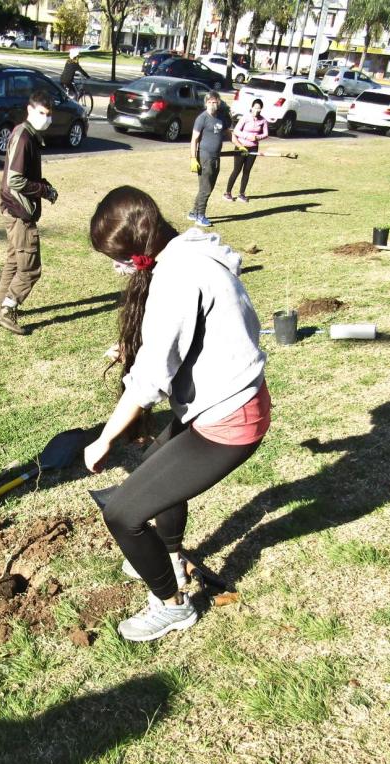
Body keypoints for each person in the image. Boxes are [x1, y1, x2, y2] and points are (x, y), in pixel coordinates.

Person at [84, 186, 271, 642]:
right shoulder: (190, 250)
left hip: (229, 419)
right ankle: (168, 559)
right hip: (227, 399)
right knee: (155, 471)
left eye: (119, 259)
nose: (119, 269)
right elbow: (196, 331)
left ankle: (171, 605)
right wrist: (134, 345)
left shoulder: (177, 276)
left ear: (137, 252)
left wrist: (105, 438)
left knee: (123, 514)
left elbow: (150, 379)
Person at [0, 91, 59, 335]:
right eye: (42, 113)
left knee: (14, 261)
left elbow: (25, 176)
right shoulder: (24, 137)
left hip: (14, 209)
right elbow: (16, 180)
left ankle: (1, 306)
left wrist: (45, 186)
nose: (46, 119)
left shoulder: (28, 134)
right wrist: (43, 190)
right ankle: (7, 309)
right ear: (30, 110)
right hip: (20, 212)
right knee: (31, 268)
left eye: (49, 115)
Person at [188, 91, 230, 228]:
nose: (213, 104)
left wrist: (240, 145)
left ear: (219, 102)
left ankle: (194, 213)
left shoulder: (220, 118)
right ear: (206, 103)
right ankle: (200, 216)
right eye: (210, 102)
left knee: (206, 187)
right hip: (205, 157)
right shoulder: (202, 118)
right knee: (206, 188)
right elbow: (194, 139)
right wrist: (193, 158)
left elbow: (228, 133)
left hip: (215, 157)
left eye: (215, 101)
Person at [223, 98, 269, 203]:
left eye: (259, 108)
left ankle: (242, 194)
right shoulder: (245, 118)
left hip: (253, 148)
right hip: (241, 147)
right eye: (255, 107)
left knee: (247, 171)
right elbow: (236, 131)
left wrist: (257, 137)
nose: (257, 110)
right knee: (236, 170)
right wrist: (248, 136)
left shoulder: (263, 120)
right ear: (252, 107)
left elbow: (266, 134)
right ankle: (227, 193)